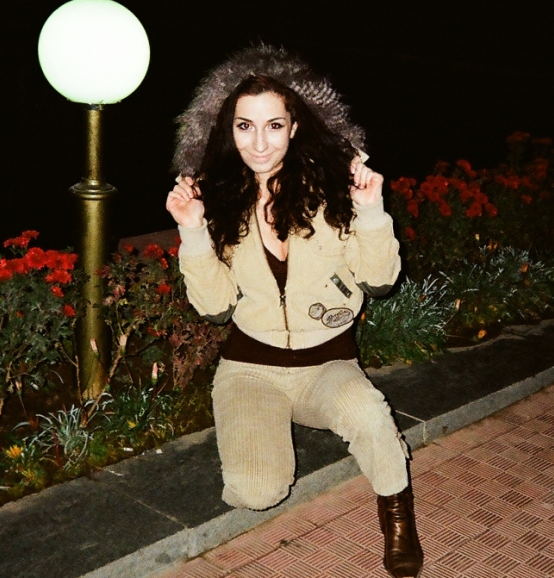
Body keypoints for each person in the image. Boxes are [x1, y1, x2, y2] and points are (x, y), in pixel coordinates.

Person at [165, 45, 423, 578]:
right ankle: (264, 422)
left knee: (371, 417)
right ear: (228, 129)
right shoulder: (217, 199)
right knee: (256, 492)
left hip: (327, 364)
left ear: (295, 127)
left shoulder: (334, 190)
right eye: (244, 126)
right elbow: (215, 309)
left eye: (273, 126)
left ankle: (399, 516)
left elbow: (379, 281)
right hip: (250, 370)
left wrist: (372, 212)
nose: (259, 143)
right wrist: (192, 232)